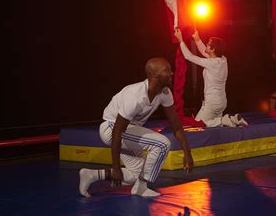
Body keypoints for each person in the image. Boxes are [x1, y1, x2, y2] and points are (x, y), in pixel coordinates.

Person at [78, 58, 194, 198]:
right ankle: (141, 188)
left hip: (127, 130)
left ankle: (91, 175)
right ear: (155, 74)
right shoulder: (136, 96)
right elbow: (117, 130)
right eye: (167, 70)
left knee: (137, 174)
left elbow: (176, 125)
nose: (172, 73)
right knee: (162, 144)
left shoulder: (165, 93)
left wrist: (187, 152)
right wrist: (115, 166)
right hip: (111, 128)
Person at [174, 28, 248, 127]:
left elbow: (189, 56)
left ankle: (224, 120)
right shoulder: (222, 59)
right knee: (216, 130)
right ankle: (234, 120)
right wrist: (197, 39)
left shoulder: (211, 63)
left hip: (212, 103)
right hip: (221, 102)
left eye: (208, 44)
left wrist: (181, 40)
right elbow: (205, 52)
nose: (207, 45)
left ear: (213, 50)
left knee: (198, 125)